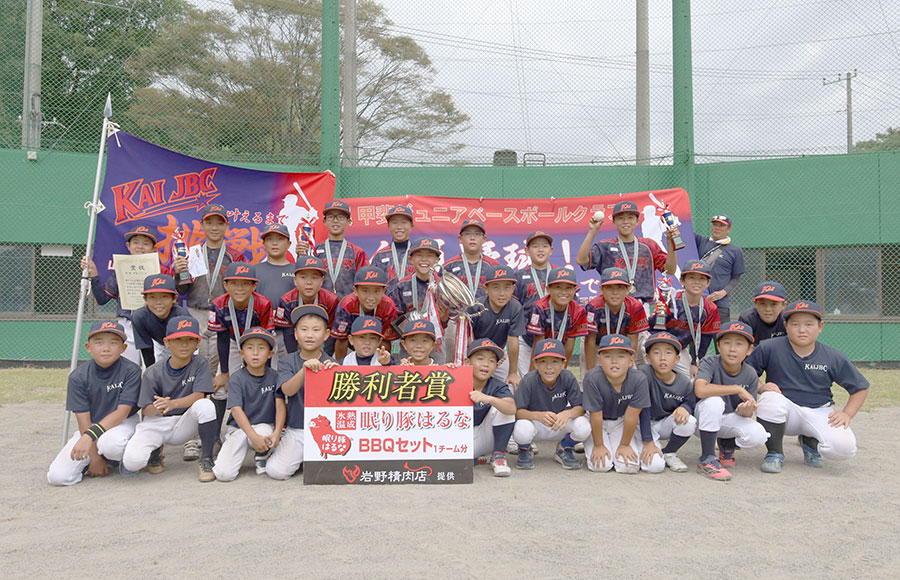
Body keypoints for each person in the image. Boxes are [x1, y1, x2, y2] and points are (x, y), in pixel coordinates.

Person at [748, 301, 869, 474]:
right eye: (795, 324)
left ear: (820, 327)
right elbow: (746, 372)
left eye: (809, 324)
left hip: (819, 411)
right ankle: (774, 453)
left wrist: (847, 414)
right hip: (785, 411)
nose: (802, 330)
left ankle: (810, 443)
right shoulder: (769, 347)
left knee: (844, 449)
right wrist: (761, 387)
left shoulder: (833, 356)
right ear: (786, 326)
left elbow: (860, 388)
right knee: (769, 400)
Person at [575, 200, 678, 361]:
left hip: (639, 309)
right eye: (621, 218)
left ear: (637, 221)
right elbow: (581, 260)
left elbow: (669, 269)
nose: (626, 222)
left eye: (630, 217)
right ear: (614, 221)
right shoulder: (605, 246)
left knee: (639, 361)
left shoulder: (649, 246)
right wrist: (592, 231)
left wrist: (672, 245)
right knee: (602, 355)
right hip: (610, 308)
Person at [121, 316, 219, 482]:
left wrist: (172, 404)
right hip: (157, 422)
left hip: (184, 423)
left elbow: (199, 395)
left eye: (190, 340)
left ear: (197, 343)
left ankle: (206, 459)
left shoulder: (200, 363)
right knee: (132, 462)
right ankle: (155, 451)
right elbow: (146, 409)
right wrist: (160, 407)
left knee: (206, 405)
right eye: (178, 340)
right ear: (166, 342)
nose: (184, 345)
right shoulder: (153, 371)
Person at [47, 321, 142, 486]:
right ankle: (99, 457)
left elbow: (122, 412)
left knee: (111, 444)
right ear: (88, 347)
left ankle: (119, 458)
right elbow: (84, 420)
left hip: (122, 423)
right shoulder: (78, 376)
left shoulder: (131, 370)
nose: (106, 348)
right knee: (58, 477)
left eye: (113, 343)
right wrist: (94, 458)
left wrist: (89, 437)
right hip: (91, 426)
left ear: (123, 348)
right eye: (99, 342)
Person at [80, 225, 170, 366]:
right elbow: (102, 299)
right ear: (128, 246)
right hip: (128, 325)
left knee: (153, 371)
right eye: (135, 242)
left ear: (154, 248)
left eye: (146, 243)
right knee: (129, 370)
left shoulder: (162, 271)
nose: (140, 247)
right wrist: (94, 275)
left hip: (153, 325)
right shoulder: (121, 269)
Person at [266, 305, 336, 480]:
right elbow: (287, 390)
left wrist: (335, 374)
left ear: (326, 335)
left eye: (316, 330)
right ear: (296, 334)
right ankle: (302, 455)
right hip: (297, 428)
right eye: (304, 330)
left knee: (332, 473)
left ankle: (307, 457)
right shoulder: (287, 362)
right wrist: (305, 371)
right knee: (276, 471)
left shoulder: (332, 363)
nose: (310, 335)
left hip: (327, 430)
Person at [693, 321, 768, 481]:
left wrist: (746, 409)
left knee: (758, 435)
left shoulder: (750, 373)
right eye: (727, 343)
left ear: (749, 350)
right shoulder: (710, 362)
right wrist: (736, 388)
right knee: (714, 402)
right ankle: (707, 458)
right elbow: (700, 390)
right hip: (700, 421)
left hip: (724, 420)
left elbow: (745, 414)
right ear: (718, 346)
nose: (732, 349)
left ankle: (727, 446)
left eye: (739, 344)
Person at [582, 334, 665, 474]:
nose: (614, 361)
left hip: (621, 423)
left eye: (621, 356)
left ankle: (622, 447)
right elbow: (595, 415)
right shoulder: (592, 378)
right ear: (599, 360)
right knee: (600, 466)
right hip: (597, 423)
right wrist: (599, 445)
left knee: (629, 467)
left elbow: (632, 415)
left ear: (631, 360)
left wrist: (625, 445)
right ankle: (598, 447)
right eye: (607, 356)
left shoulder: (638, 379)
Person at [212, 327, 287, 482]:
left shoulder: (275, 376)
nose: (255, 353)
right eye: (249, 348)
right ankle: (244, 448)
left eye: (261, 348)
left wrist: (277, 433)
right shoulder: (236, 379)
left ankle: (262, 454)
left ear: (270, 354)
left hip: (263, 426)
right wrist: (253, 437)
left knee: (265, 430)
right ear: (241, 354)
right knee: (224, 474)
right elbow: (236, 410)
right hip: (239, 429)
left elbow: (280, 406)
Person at [208, 263, 274, 435]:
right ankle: (214, 437)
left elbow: (266, 341)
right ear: (226, 285)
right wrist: (224, 372)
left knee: (264, 386)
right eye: (234, 283)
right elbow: (221, 339)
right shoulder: (218, 304)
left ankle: (267, 427)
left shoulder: (264, 304)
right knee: (221, 388)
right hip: (231, 342)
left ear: (254, 286)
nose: (240, 288)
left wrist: (264, 372)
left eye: (245, 283)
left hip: (257, 344)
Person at [512, 339, 591, 470]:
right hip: (536, 424)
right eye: (543, 361)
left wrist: (567, 413)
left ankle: (564, 448)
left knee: (584, 427)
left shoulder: (567, 377)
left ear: (563, 363)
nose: (549, 367)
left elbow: (581, 408)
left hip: (559, 422)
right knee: (521, 429)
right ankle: (525, 449)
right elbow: (518, 412)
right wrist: (537, 415)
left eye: (555, 361)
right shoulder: (529, 380)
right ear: (535, 363)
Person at [639, 332, 697, 473]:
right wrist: (648, 442)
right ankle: (646, 447)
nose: (663, 358)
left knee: (689, 421)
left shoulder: (683, 382)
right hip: (640, 425)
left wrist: (685, 407)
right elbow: (643, 409)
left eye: (669, 353)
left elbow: (691, 402)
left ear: (677, 359)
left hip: (662, 423)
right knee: (654, 466)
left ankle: (670, 452)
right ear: (648, 357)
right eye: (656, 353)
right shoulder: (642, 374)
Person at [663, 260, 721, 379]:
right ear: (682, 281)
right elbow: (653, 328)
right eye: (691, 278)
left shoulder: (710, 308)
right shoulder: (671, 299)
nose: (696, 282)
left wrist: (694, 363)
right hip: (658, 346)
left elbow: (704, 338)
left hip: (680, 349)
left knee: (691, 380)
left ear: (708, 283)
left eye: (702, 279)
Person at [467, 338, 516, 477]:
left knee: (503, 406)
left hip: (484, 437)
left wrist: (488, 398)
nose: (486, 364)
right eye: (480, 358)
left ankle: (498, 457)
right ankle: (476, 459)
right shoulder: (455, 379)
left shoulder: (497, 385)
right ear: (467, 362)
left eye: (492, 361)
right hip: (458, 438)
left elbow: (512, 409)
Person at [584, 267, 649, 370]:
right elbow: (590, 339)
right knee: (588, 379)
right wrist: (590, 370)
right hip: (597, 345)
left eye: (620, 287)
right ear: (601, 290)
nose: (615, 292)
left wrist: (629, 366)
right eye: (609, 287)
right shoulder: (593, 307)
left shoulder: (635, 306)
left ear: (628, 289)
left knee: (630, 375)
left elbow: (633, 340)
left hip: (624, 345)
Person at [524, 268, 590, 368]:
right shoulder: (539, 308)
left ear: (574, 290)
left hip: (560, 345)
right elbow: (538, 343)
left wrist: (563, 368)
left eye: (568, 288)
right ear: (548, 289)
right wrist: (533, 371)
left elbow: (570, 343)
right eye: (558, 287)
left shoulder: (578, 311)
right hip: (530, 343)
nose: (563, 292)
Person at [273, 255, 339, 354]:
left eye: (314, 277)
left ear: (321, 281)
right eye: (303, 277)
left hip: (321, 342)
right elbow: (288, 333)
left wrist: (325, 357)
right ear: (295, 280)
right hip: (295, 342)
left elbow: (331, 333)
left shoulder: (331, 300)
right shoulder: (286, 300)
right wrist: (294, 359)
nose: (309, 282)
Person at [513, 230, 557, 378]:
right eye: (535, 246)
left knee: (552, 377)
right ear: (527, 250)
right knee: (528, 377)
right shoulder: (519, 276)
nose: (540, 249)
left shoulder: (559, 274)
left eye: (544, 246)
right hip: (526, 336)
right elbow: (514, 307)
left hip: (555, 334)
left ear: (551, 251)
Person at [472, 266, 525, 387]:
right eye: (496, 288)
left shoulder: (515, 307)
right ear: (486, 289)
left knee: (510, 386)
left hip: (499, 355)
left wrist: (512, 372)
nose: (502, 293)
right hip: (475, 353)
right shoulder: (476, 307)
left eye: (507, 288)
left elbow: (513, 340)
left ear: (513, 289)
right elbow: (468, 339)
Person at [332, 266, 399, 361]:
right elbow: (341, 339)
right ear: (355, 290)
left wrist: (383, 364)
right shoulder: (347, 305)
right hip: (351, 345)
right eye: (365, 291)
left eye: (376, 291)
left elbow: (385, 340)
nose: (371, 297)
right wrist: (341, 368)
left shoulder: (388, 306)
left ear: (384, 291)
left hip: (375, 344)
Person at [254, 223, 297, 367]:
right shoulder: (254, 270)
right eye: (269, 239)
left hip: (289, 334)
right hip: (262, 332)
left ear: (289, 243)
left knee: (287, 371)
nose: (274, 243)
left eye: (279, 239)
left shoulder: (297, 271)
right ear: (264, 244)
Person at [131, 274, 190, 368]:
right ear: (145, 299)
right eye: (152, 297)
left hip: (183, 346)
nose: (158, 302)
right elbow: (147, 349)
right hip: (159, 344)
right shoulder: (139, 317)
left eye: (164, 296)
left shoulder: (182, 316)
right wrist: (152, 372)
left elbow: (186, 347)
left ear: (174, 298)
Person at [315, 199, 369, 300]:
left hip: (349, 307)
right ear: (324, 221)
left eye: (340, 217)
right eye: (331, 217)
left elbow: (364, 283)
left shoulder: (357, 252)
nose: (335, 221)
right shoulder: (315, 250)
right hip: (322, 305)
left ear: (348, 221)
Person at [695, 214, 745, 322]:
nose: (717, 228)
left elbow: (736, 277)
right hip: (698, 302)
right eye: (715, 224)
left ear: (729, 229)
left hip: (720, 304)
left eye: (721, 226)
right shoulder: (701, 242)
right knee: (698, 338)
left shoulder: (735, 251)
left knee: (721, 337)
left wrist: (723, 292)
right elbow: (683, 231)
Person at [371, 205, 416, 287]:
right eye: (394, 223)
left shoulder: (418, 253)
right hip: (387, 300)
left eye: (404, 222)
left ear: (411, 226)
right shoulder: (380, 255)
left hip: (415, 299)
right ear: (388, 226)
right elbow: (373, 284)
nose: (399, 227)